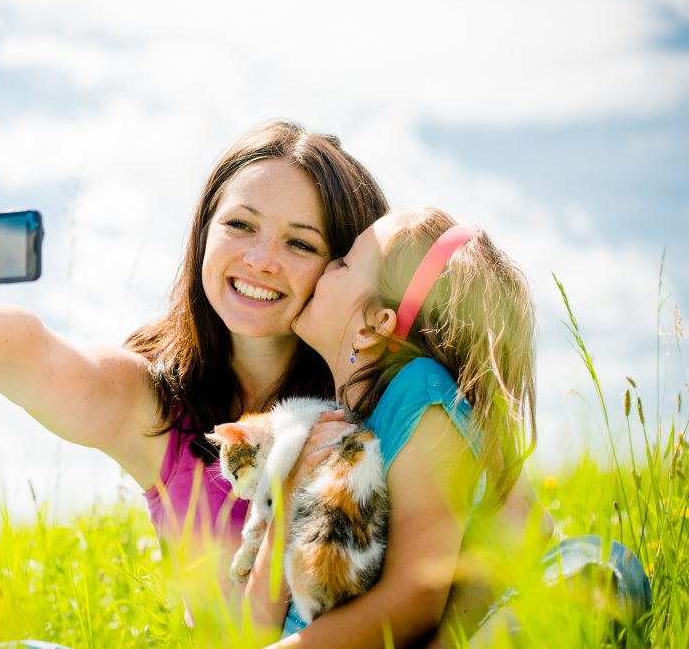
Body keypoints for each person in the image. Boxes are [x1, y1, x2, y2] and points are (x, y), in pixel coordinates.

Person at [0, 121, 543, 639]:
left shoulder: (392, 407)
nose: (260, 259)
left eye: (301, 243)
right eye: (240, 225)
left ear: (352, 277)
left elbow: (507, 560)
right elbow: (43, 360)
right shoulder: (155, 405)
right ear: (203, 234)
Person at [249, 207, 650, 646]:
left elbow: (415, 598)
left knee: (605, 565)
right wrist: (286, 502)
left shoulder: (419, 393)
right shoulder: (331, 420)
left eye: (344, 263)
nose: (327, 265)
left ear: (373, 327)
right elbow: (250, 623)